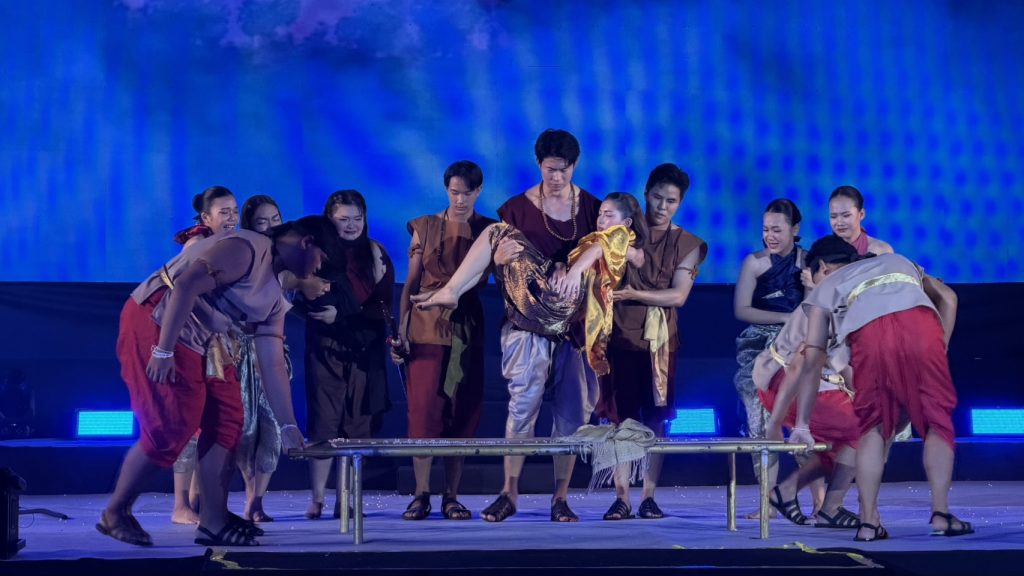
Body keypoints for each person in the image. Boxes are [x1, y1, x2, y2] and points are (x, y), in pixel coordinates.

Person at [98, 214, 337, 547]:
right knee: (173, 423)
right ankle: (116, 511)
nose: (319, 268)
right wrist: (164, 350)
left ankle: (213, 520)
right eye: (322, 258)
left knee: (228, 418)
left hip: (207, 340)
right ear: (306, 242)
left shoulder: (274, 293)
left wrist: (287, 425)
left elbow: (271, 362)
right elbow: (186, 284)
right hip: (160, 321)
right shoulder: (249, 248)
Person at [778, 235, 971, 541]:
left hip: (869, 336)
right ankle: (941, 513)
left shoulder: (824, 289)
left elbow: (812, 361)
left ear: (822, 267)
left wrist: (802, 424)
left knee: (873, 427)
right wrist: (939, 347)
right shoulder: (898, 260)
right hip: (921, 327)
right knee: (936, 421)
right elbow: (948, 298)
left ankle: (868, 523)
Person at [598, 163, 706, 520]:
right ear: (645, 194)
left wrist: (636, 293)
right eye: (657, 197)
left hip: (660, 340)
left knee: (657, 419)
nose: (662, 206)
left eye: (670, 201)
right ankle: (621, 496)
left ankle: (648, 495)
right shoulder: (624, 231)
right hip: (618, 334)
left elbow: (678, 296)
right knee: (620, 419)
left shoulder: (688, 243)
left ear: (680, 203)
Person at [394, 161, 496, 520]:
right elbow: (411, 283)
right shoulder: (425, 226)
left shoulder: (489, 229)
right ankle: (421, 493)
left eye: (467, 193)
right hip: (425, 325)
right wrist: (402, 328)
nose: (460, 199)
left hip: (466, 327)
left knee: (463, 413)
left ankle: (451, 495)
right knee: (423, 411)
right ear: (446, 190)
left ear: (478, 191)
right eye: (454, 192)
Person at [303, 190, 394, 520]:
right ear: (330, 219)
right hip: (326, 347)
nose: (352, 225)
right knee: (324, 423)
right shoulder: (316, 252)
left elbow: (382, 306)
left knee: (359, 425)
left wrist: (343, 314)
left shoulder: (375, 252)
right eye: (344, 219)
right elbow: (302, 294)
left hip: (365, 348)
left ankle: (348, 498)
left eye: (358, 218)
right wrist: (323, 313)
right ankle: (317, 498)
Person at [731, 199, 809, 515]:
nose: (770, 236)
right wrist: (784, 319)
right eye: (766, 230)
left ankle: (820, 501)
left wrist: (798, 320)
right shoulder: (754, 262)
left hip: (797, 345)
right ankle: (767, 501)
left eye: (777, 230)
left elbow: (814, 308)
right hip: (758, 346)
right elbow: (742, 310)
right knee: (760, 422)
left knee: (804, 419)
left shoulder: (808, 261)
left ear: (795, 229)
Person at [754, 305, 860, 528]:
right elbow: (799, 365)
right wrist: (780, 424)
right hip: (787, 386)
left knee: (861, 435)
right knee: (867, 430)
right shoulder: (828, 304)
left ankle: (793, 493)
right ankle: (828, 507)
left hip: (806, 383)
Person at [170, 185, 239, 525]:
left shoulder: (228, 245)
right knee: (189, 422)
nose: (232, 217)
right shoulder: (197, 244)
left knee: (211, 421)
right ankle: (180, 504)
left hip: (216, 344)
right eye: (224, 212)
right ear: (205, 217)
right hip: (191, 341)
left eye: (235, 211)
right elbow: (177, 286)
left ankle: (199, 500)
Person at [233, 195, 291, 523]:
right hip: (240, 352)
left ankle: (257, 500)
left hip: (272, 351)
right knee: (245, 428)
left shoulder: (286, 257)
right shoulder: (243, 257)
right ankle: (248, 491)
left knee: (273, 428)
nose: (270, 226)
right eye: (262, 221)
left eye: (275, 218)